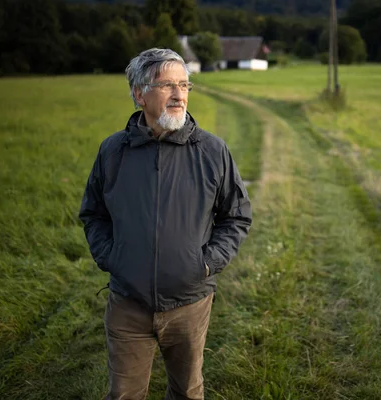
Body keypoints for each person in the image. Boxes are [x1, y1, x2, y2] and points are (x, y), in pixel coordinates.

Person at [79, 48, 252, 400]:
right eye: (167, 85)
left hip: (189, 302)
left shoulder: (212, 151)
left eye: (184, 85)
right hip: (128, 304)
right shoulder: (113, 152)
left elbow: (235, 215)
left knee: (187, 393)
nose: (179, 95)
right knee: (124, 395)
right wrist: (112, 258)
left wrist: (206, 263)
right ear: (139, 94)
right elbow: (93, 213)